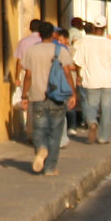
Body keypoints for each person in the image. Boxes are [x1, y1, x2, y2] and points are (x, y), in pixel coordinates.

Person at [19, 20, 77, 175]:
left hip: (37, 96)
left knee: (39, 129)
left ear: (39, 34)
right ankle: (50, 167)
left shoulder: (31, 51)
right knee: (55, 132)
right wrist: (73, 93)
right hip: (57, 96)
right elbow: (67, 73)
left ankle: (41, 148)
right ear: (53, 34)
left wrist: (24, 95)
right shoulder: (60, 50)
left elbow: (28, 76)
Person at [73, 18, 111, 145]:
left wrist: (78, 76)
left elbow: (78, 62)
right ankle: (103, 137)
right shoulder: (109, 43)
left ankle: (92, 122)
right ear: (105, 28)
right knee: (106, 109)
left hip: (91, 80)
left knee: (90, 105)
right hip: (107, 81)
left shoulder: (85, 42)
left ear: (94, 28)